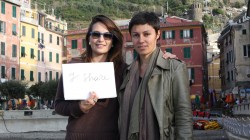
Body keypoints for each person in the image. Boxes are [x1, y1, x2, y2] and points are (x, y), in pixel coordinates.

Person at [55, 15, 176, 140]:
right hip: (76, 137)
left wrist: (161, 58)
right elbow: (58, 105)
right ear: (89, 39)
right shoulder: (74, 67)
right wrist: (79, 107)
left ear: (113, 41)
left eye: (107, 36)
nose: (101, 39)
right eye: (96, 34)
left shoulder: (124, 70)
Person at [118, 12, 193, 140]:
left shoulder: (174, 68)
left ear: (157, 35)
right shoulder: (127, 72)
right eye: (136, 35)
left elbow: (183, 116)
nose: (141, 40)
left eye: (146, 34)